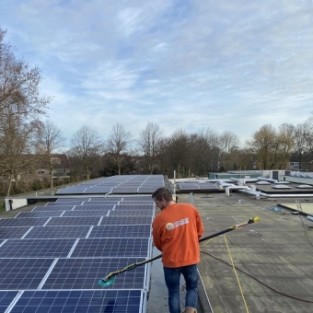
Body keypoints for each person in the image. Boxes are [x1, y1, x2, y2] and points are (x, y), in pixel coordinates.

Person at [152, 187, 204, 313]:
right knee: (192, 288)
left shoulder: (159, 219)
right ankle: (190, 310)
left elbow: (158, 244)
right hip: (190, 259)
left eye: (157, 203)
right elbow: (200, 232)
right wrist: (189, 241)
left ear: (163, 200)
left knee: (173, 293)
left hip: (171, 263)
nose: (157, 206)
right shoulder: (190, 209)